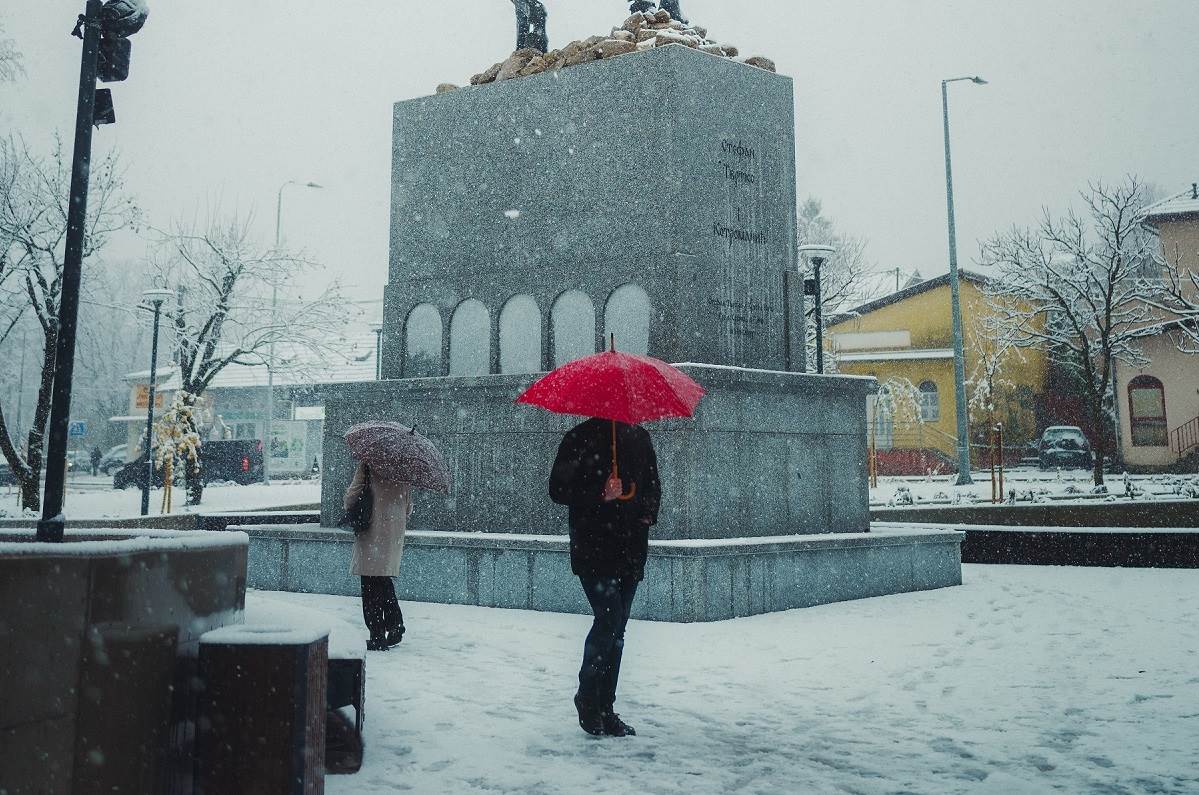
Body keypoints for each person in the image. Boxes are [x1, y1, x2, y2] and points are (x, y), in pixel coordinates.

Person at [550, 417, 660, 737]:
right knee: (609, 619)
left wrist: (645, 511)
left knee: (619, 627)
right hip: (594, 548)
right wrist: (600, 492)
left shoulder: (640, 437)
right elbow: (557, 489)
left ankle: (605, 706)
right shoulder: (579, 437)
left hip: (630, 549)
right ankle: (587, 696)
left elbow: (653, 486)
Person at [343, 461, 413, 651]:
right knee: (382, 579)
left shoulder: (368, 463)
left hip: (371, 528)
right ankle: (395, 624)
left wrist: (348, 505)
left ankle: (377, 635)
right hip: (393, 531)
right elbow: (408, 508)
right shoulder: (403, 468)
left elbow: (352, 495)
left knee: (369, 583)